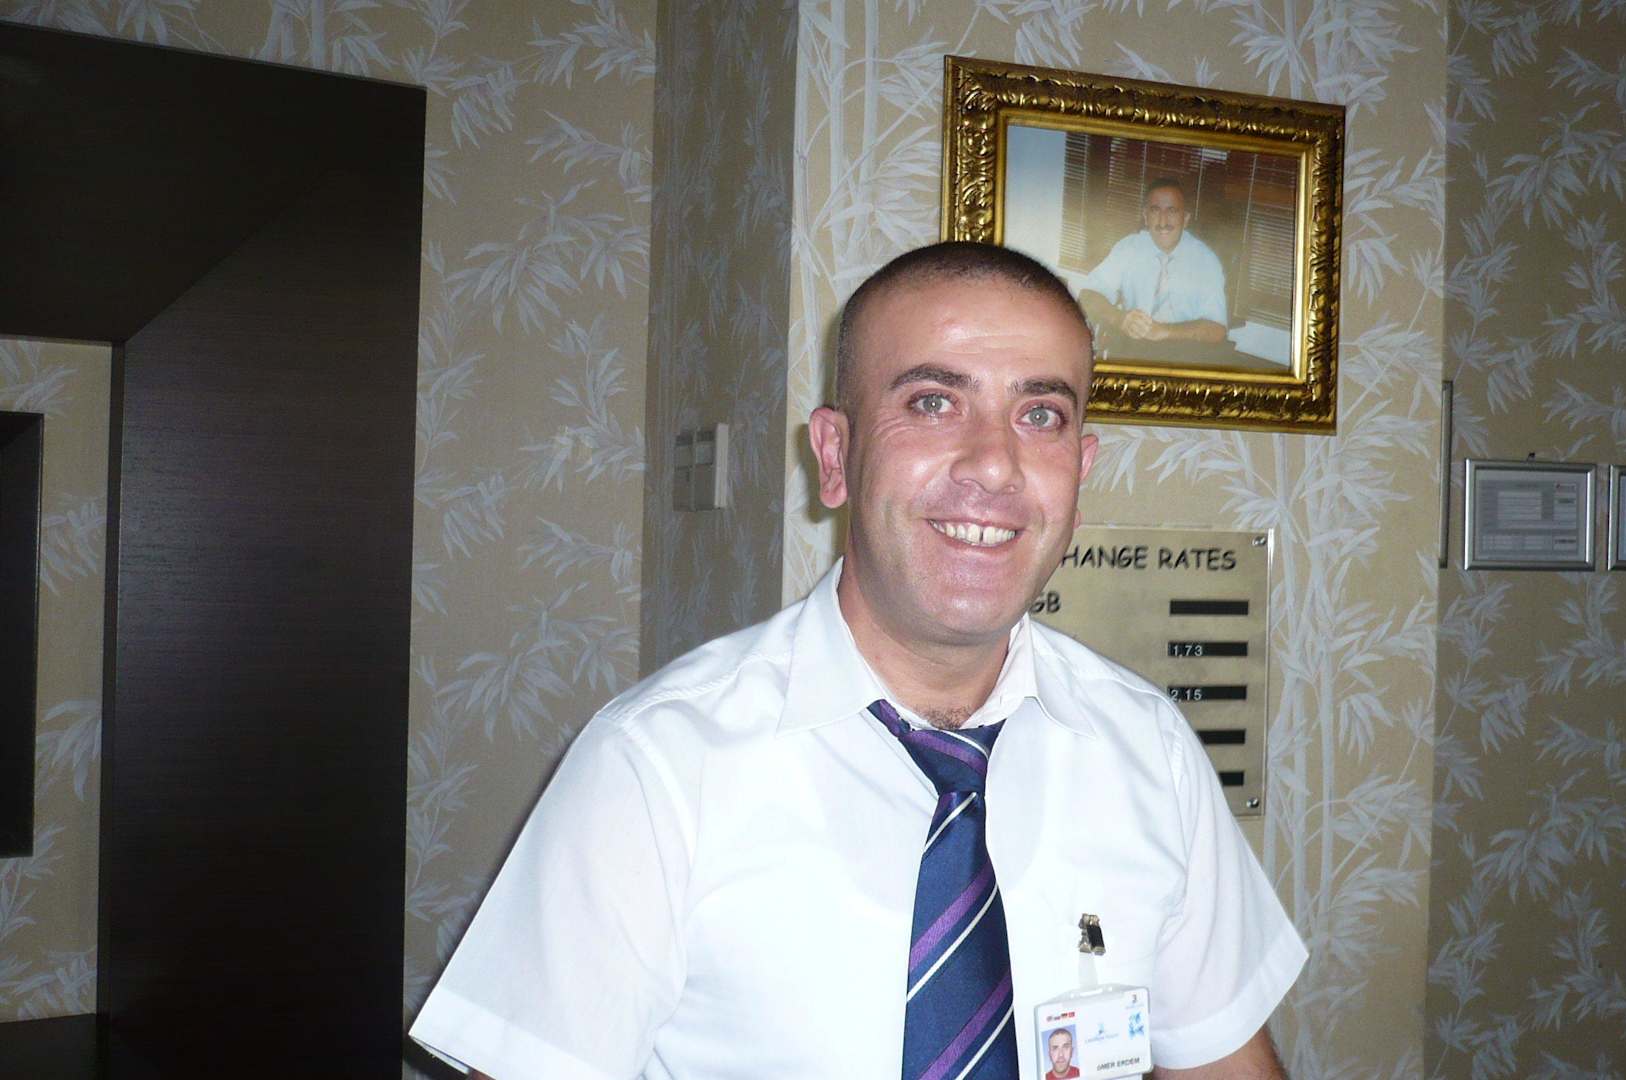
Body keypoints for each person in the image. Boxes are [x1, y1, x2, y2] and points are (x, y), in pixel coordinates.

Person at [408, 241, 1306, 1079]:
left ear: (1081, 468)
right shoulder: (655, 771)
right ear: (835, 457)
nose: (995, 465)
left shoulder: (1150, 752)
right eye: (933, 402)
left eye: (1041, 415)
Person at [1078, 178, 1230, 347]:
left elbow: (1217, 329)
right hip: (1135, 344)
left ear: (1186, 219)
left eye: (1172, 211)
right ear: (1145, 217)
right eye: (1155, 210)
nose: (1163, 222)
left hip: (1186, 348)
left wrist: (1165, 331)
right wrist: (1119, 318)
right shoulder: (1129, 248)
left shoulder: (1205, 260)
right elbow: (1088, 295)